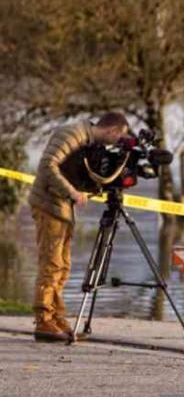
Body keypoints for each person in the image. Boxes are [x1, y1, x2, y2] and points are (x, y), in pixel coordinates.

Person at [29, 112, 129, 342]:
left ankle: (56, 318)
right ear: (112, 131)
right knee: (51, 263)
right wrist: (72, 192)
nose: (116, 143)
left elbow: (74, 172)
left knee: (62, 266)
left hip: (62, 208)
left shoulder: (87, 143)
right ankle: (44, 320)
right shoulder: (71, 134)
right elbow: (47, 165)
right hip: (49, 205)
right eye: (118, 137)